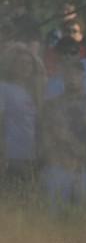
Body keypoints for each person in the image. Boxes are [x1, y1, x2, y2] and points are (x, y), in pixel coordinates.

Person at [40, 61, 86, 207]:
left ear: (83, 76)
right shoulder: (51, 105)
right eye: (69, 74)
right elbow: (46, 137)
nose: (72, 78)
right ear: (63, 78)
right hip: (59, 169)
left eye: (76, 74)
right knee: (55, 218)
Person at [0, 44, 45, 187]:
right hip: (10, 154)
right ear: (12, 65)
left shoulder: (33, 92)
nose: (26, 67)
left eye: (29, 64)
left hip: (30, 155)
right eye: (21, 63)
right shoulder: (3, 88)